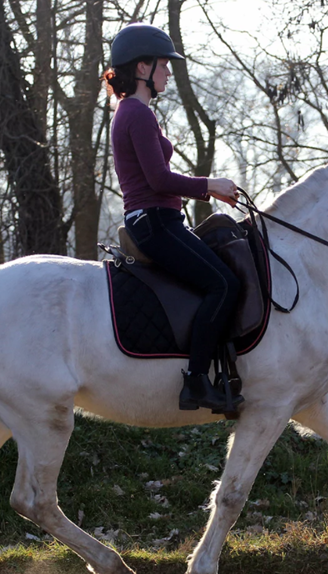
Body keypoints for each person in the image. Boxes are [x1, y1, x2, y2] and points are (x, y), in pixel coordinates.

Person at [103, 23, 243, 412]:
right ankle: (196, 381)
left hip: (158, 219)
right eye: (163, 65)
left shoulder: (132, 111)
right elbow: (159, 179)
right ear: (142, 67)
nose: (168, 72)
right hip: (155, 223)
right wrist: (210, 185)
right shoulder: (137, 114)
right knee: (224, 285)